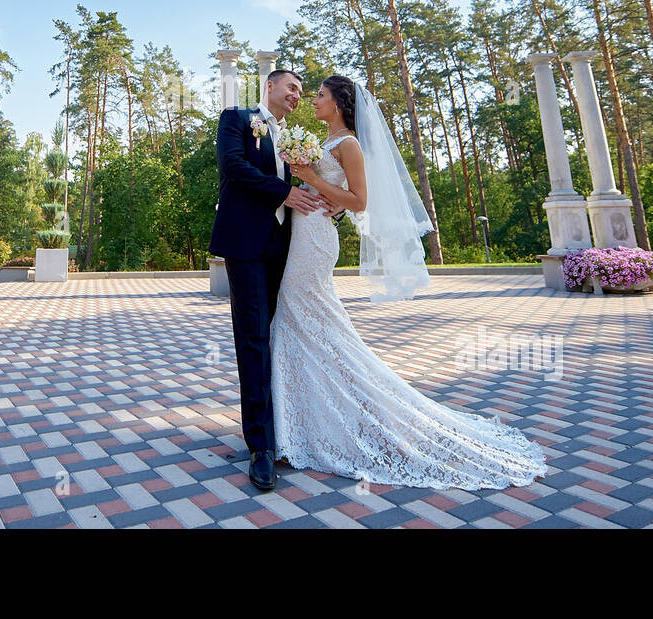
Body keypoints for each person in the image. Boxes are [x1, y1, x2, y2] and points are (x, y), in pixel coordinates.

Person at [269, 73, 550, 490]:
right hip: (303, 233)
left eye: (321, 96)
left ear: (341, 104)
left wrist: (310, 179)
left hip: (316, 242)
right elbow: (334, 195)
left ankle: (322, 418)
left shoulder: (348, 144)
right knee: (297, 321)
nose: (314, 101)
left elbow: (360, 201)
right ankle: (297, 421)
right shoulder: (324, 142)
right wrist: (309, 181)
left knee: (306, 318)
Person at [208, 69, 337, 490]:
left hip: (286, 246)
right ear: (269, 86)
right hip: (245, 243)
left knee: (283, 332)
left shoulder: (294, 138)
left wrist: (326, 203)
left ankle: (288, 424)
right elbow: (233, 166)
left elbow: (312, 184)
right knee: (253, 338)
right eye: (292, 87)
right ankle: (261, 446)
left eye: (303, 91)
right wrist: (283, 194)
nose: (298, 95)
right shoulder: (238, 117)